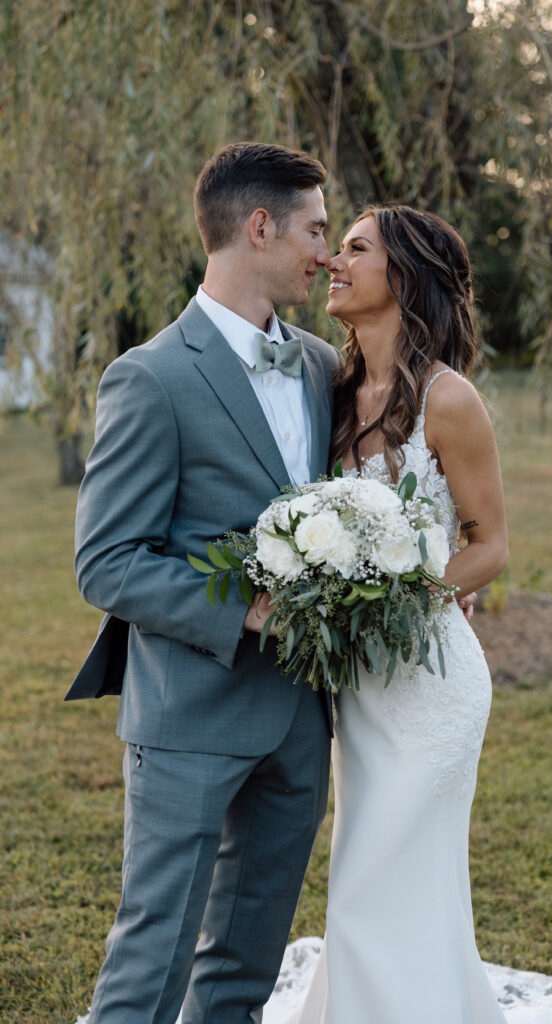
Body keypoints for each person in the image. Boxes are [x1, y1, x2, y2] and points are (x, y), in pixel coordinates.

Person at [66, 142, 340, 1024]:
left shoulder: (322, 367)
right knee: (152, 962)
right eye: (315, 229)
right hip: (189, 714)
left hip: (299, 717)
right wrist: (251, 608)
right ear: (258, 228)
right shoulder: (150, 377)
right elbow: (106, 561)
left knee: (243, 969)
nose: (326, 252)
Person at [270, 205, 509, 1023]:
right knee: (362, 870)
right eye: (334, 247)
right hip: (359, 686)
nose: (332, 261)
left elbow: (489, 544)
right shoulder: (331, 396)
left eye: (354, 249)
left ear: (401, 277)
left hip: (431, 683)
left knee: (390, 873)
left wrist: (407, 597)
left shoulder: (449, 400)